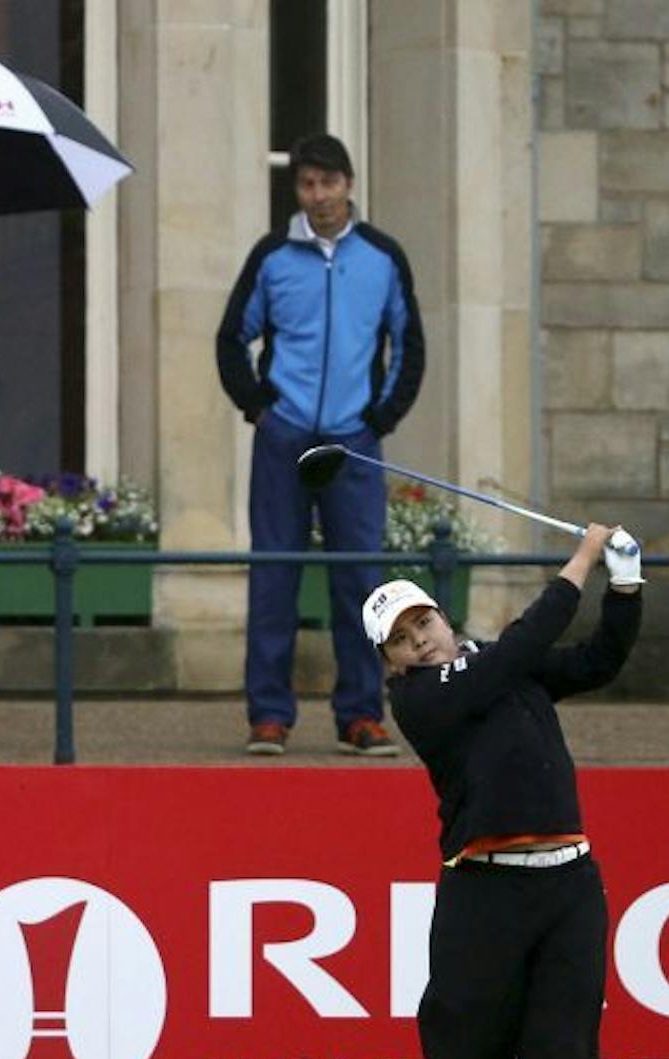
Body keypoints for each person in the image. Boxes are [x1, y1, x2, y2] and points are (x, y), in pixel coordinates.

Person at [371, 523, 643, 1059]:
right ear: (391, 664)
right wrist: (584, 559)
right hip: (481, 891)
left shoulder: (500, 663)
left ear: (442, 616)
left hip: (568, 886)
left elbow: (598, 659)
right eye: (401, 639)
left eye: (423, 622)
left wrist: (625, 586)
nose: (420, 640)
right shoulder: (423, 701)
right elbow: (521, 649)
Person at [216, 132, 423, 758]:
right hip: (285, 440)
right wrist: (260, 409)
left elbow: (409, 344)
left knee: (362, 582)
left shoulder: (383, 257)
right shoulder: (273, 256)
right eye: (307, 184)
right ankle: (270, 717)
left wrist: (380, 418)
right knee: (273, 575)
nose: (319, 196)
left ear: (349, 186)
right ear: (297, 189)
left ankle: (361, 715)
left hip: (353, 443)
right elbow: (232, 338)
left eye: (329, 183)